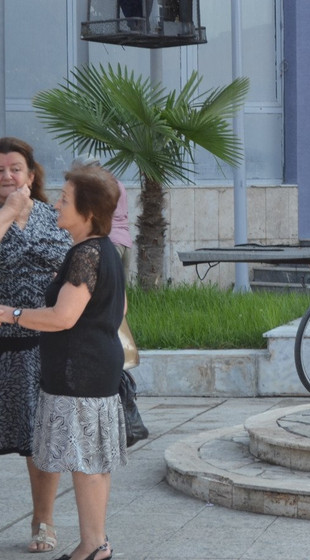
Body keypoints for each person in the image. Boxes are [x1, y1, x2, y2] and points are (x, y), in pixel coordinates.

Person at [0, 164, 127, 560]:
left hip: (80, 374)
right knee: (94, 462)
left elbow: (61, 318)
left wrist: (9, 313)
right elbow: (117, 307)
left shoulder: (85, 254)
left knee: (86, 463)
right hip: (96, 369)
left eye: (64, 200)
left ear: (87, 212)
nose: (55, 204)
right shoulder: (100, 250)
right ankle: (97, 542)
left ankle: (92, 545)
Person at [0, 138, 71, 554]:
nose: (7, 176)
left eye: (15, 168)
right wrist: (7, 213)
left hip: (44, 346)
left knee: (42, 440)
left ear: (31, 175)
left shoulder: (53, 216)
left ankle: (43, 519)